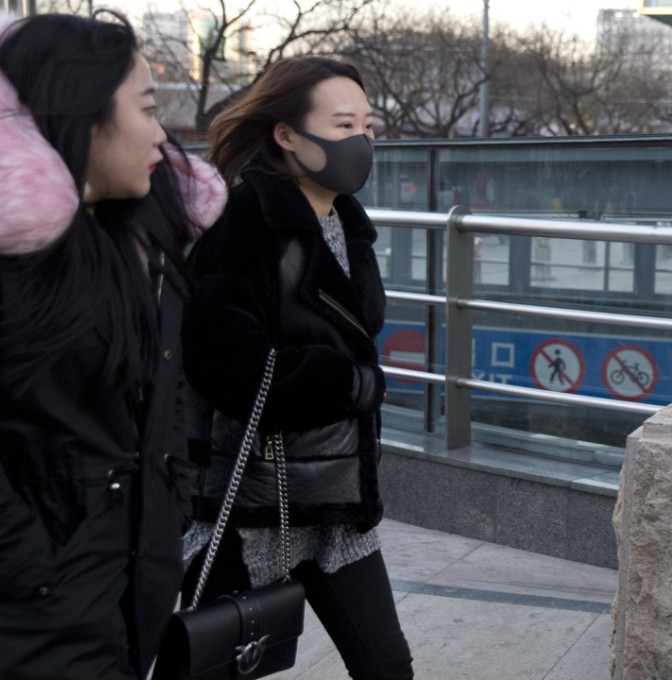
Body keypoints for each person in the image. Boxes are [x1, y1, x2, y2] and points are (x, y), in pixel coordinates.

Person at [168, 56, 413, 679]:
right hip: (255, 502)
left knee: (387, 667)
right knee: (213, 665)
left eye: (368, 125)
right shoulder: (243, 219)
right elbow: (222, 362)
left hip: (336, 504)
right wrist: (351, 384)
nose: (361, 140)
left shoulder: (343, 221)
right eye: (343, 124)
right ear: (287, 134)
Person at [0, 11, 227, 680]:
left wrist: (174, 492)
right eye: (148, 109)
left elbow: (165, 393)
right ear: (81, 113)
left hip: (130, 586)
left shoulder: (144, 240)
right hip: (36, 607)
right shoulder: (17, 262)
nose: (163, 135)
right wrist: (30, 565)